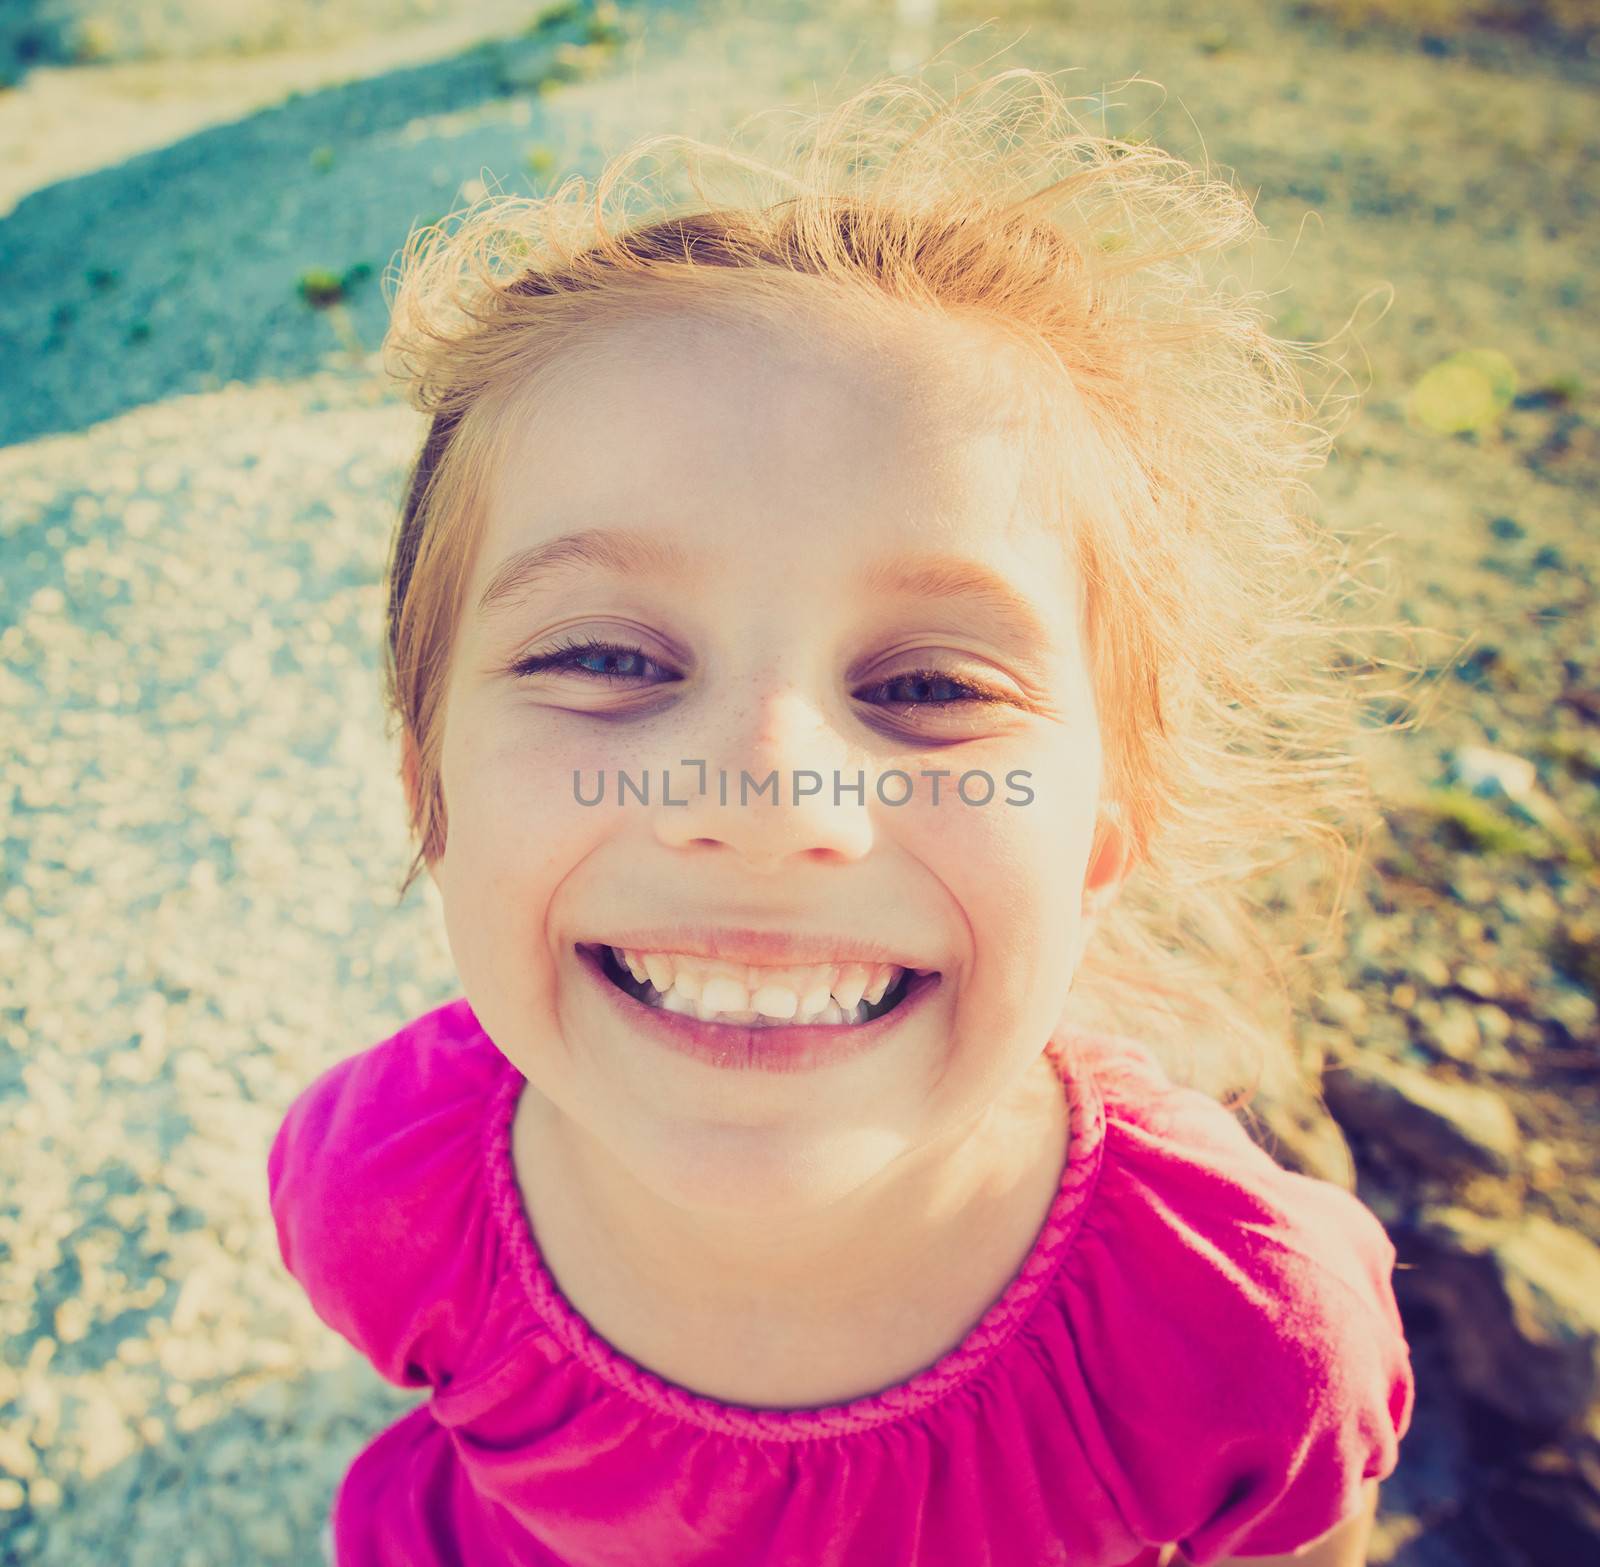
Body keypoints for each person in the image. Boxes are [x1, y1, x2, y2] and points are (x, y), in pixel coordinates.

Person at [270, 64, 1416, 1567]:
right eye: (606, 658)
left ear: (1098, 838)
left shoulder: (1243, 1336)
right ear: (429, 784)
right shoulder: (380, 1185)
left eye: (933, 685)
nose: (768, 805)